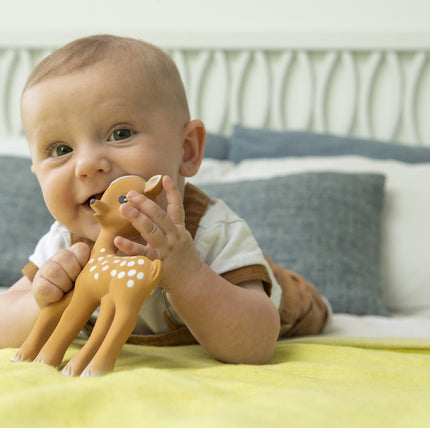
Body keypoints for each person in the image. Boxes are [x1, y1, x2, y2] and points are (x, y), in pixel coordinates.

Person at [0, 35, 328, 364]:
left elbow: (255, 346)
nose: (86, 164)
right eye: (61, 150)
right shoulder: (65, 243)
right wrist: (41, 300)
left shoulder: (212, 232)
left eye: (120, 133)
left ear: (187, 150)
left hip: (273, 298)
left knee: (307, 305)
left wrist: (189, 276)